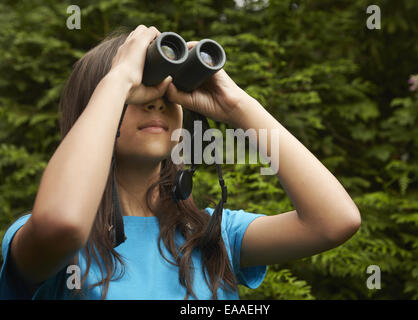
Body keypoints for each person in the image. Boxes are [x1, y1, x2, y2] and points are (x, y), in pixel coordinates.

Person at [0, 25, 361, 300]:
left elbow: (334, 221)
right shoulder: (45, 240)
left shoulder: (212, 235)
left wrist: (238, 105)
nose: (156, 102)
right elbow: (62, 224)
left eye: (164, 93)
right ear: (97, 107)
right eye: (137, 91)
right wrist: (119, 78)